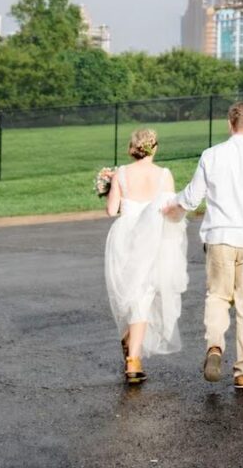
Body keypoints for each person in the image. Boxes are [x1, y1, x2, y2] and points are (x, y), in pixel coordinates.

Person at [163, 100, 243, 390]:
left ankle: (214, 347)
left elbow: (192, 196)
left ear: (229, 123)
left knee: (218, 297)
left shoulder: (211, 156)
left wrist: (173, 206)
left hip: (220, 237)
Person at [104, 128, 188, 385]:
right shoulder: (164, 175)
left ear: (132, 149)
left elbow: (111, 210)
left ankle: (131, 343)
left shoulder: (121, 174)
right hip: (154, 238)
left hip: (125, 237)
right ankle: (133, 359)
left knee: (134, 293)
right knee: (144, 294)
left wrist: (109, 187)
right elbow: (171, 211)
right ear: (155, 147)